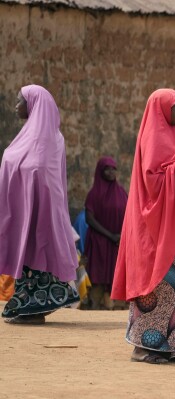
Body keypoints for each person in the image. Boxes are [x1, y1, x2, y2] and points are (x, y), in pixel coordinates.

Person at [111, 88, 175, 364]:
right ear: (162, 109)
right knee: (159, 286)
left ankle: (172, 345)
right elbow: (153, 182)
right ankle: (144, 347)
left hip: (173, 225)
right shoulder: (153, 137)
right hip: (154, 228)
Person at [0, 85, 80, 324]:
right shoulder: (27, 135)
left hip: (44, 211)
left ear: (33, 104)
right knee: (27, 260)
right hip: (24, 208)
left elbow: (43, 174)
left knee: (40, 257)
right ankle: (27, 306)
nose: (16, 106)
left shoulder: (53, 138)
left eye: (19, 101)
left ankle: (34, 309)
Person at [84, 157, 128, 310]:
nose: (111, 172)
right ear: (100, 171)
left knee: (117, 275)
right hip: (100, 242)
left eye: (113, 168)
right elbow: (89, 218)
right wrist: (110, 235)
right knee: (99, 277)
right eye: (107, 169)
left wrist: (122, 236)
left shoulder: (121, 192)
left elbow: (130, 214)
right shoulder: (94, 194)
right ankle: (94, 307)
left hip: (118, 243)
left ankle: (117, 306)